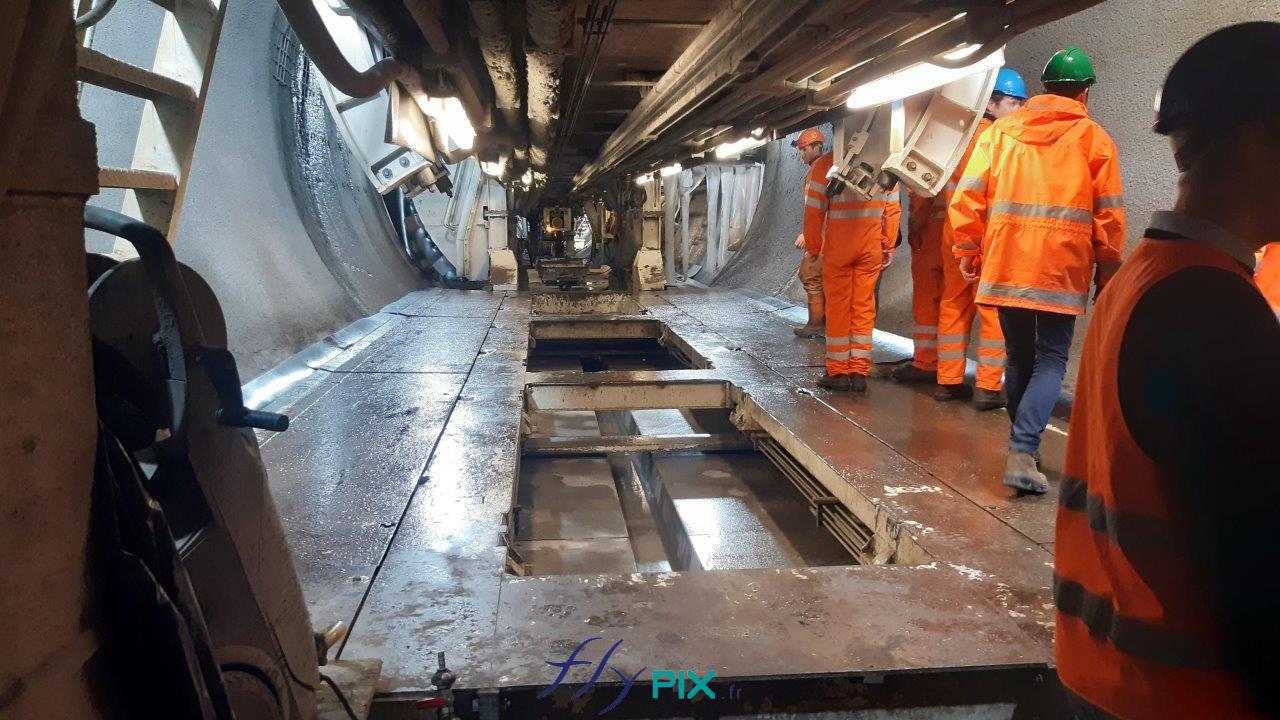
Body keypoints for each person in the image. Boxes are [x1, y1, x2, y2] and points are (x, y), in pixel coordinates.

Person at [1054, 23, 1280, 720]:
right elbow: (1257, 574)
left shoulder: (1145, 275)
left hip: (1103, 680)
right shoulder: (1213, 307)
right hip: (1182, 699)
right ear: (1255, 145)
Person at [949, 47, 1125, 492]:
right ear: (1084, 92)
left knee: (1019, 357)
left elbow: (967, 197)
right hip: (1060, 270)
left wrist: (968, 250)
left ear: (1043, 89)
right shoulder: (1094, 139)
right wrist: (1107, 269)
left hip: (1006, 263)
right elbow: (1109, 215)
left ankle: (1022, 445)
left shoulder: (1000, 134)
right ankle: (1024, 451)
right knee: (1050, 359)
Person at [894, 68, 1027, 415]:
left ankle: (949, 380)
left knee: (953, 303)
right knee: (994, 311)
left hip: (954, 235)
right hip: (990, 236)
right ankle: (987, 386)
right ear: (993, 103)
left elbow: (928, 187)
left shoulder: (957, 138)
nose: (1018, 110)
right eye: (1014, 103)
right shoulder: (1004, 142)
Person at [801, 129, 900, 391]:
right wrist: (888, 244)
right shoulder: (885, 165)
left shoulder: (825, 164)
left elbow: (813, 211)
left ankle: (838, 373)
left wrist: (813, 245)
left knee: (839, 307)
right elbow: (892, 208)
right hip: (870, 247)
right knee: (863, 307)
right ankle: (859, 372)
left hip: (839, 248)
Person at [792, 128, 828, 338]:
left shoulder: (819, 169)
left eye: (804, 149)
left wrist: (808, 234)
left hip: (822, 234)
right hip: (828, 232)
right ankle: (825, 324)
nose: (801, 154)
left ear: (816, 148)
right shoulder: (823, 167)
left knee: (810, 274)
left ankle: (817, 324)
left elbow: (817, 208)